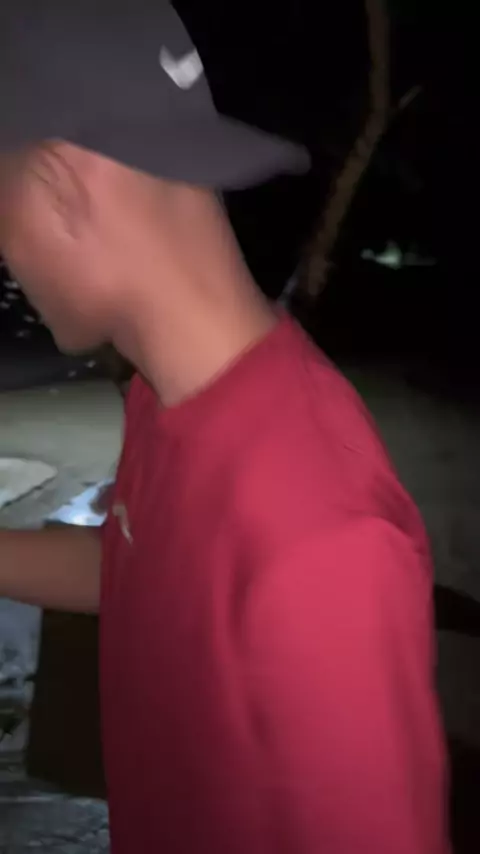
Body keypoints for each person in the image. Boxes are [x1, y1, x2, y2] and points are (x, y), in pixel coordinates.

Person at [0, 2, 450, 853]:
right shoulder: (174, 399)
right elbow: (148, 568)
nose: (5, 253)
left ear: (56, 186)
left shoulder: (321, 546)